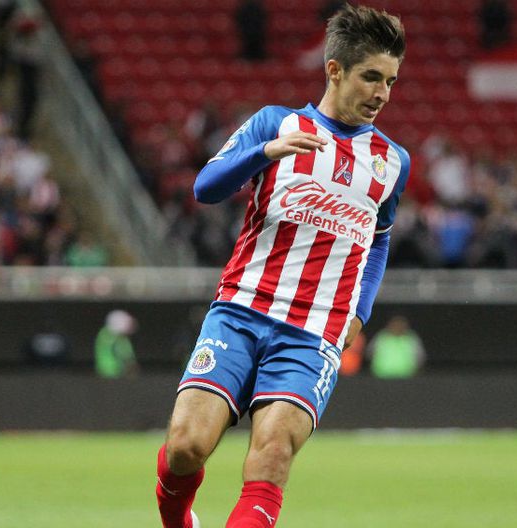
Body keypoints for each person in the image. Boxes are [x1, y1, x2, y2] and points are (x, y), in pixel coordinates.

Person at [155, 5, 408, 527]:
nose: (382, 93)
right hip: (241, 311)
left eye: (390, 81)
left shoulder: (392, 162)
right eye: (371, 77)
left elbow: (379, 242)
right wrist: (265, 153)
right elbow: (205, 188)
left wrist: (359, 314)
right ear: (334, 70)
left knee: (271, 455)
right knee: (185, 447)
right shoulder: (276, 123)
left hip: (314, 332)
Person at [94, 310, 139, 378]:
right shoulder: (115, 337)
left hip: (107, 372)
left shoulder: (104, 334)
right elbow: (126, 357)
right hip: (114, 373)